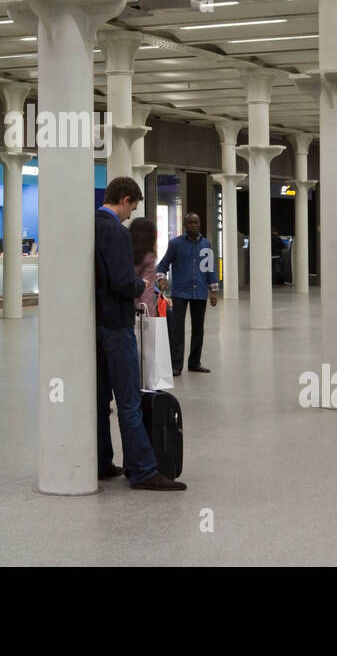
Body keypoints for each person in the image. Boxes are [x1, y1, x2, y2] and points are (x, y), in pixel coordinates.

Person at [95, 176, 186, 492]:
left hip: (95, 325)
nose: (130, 215)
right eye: (131, 207)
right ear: (124, 200)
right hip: (118, 325)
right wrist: (141, 286)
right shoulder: (116, 232)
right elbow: (122, 282)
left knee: (100, 397)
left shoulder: (88, 226)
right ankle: (143, 469)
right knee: (129, 400)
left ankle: (102, 461)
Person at [155, 212, 218, 375]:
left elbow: (210, 269)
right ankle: (176, 365)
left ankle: (194, 363)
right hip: (179, 293)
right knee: (177, 329)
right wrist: (161, 279)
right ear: (185, 225)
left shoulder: (206, 245)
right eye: (190, 223)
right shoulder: (175, 244)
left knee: (198, 329)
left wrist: (213, 291)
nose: (194, 226)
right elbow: (162, 266)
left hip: (200, 292)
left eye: (196, 222)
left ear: (200, 224)